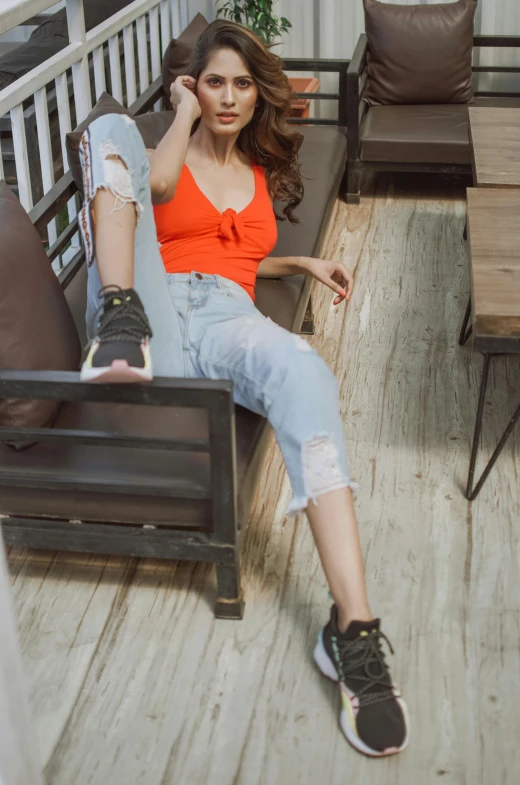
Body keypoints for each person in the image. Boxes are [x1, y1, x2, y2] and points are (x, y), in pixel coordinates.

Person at [77, 20, 409, 757]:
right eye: (214, 81)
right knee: (106, 132)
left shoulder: (256, 172)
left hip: (228, 318)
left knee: (305, 372)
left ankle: (352, 630)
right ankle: (116, 314)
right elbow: (158, 189)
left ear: (260, 95)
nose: (228, 96)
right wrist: (182, 111)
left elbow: (231, 257)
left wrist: (299, 267)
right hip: (154, 305)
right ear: (195, 85)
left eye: (241, 84)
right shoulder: (170, 145)